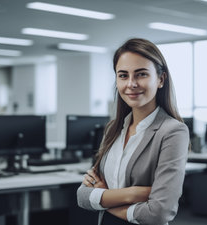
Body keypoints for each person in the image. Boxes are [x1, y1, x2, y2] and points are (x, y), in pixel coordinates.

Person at [77, 38, 189, 225]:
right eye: (123, 75)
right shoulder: (112, 129)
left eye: (141, 74)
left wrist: (104, 198)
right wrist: (135, 193)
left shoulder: (172, 132)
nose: (131, 84)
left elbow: (158, 213)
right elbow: (82, 196)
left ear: (160, 79)